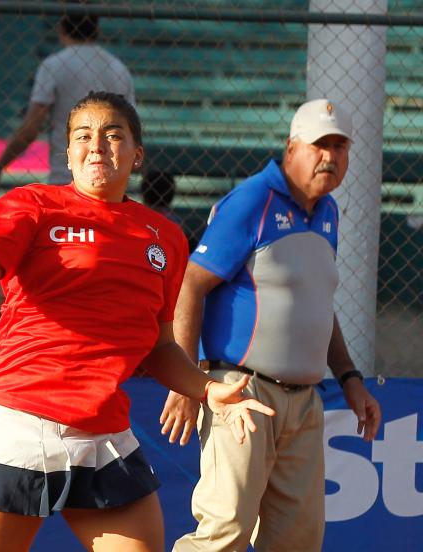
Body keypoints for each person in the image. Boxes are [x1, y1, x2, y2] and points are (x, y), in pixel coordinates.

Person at [0, 91, 274, 552]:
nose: (97, 145)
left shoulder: (167, 239)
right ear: (68, 154)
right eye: (83, 135)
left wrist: (206, 389)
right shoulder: (33, 204)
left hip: (103, 434)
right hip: (14, 422)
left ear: (136, 155)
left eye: (112, 135)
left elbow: (159, 346)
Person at [162, 99, 382, 552]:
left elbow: (317, 305)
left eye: (340, 147)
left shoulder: (328, 213)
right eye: (321, 145)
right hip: (242, 393)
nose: (331, 157)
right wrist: (187, 382)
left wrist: (350, 378)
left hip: (305, 401)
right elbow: (189, 285)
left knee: (297, 542)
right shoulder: (252, 201)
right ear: (291, 149)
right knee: (224, 533)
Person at [0, 13, 134, 192]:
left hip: (67, 177)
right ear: (97, 30)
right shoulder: (118, 68)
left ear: (62, 29)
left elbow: (31, 128)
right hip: (111, 179)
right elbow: (132, 130)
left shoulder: (54, 65)